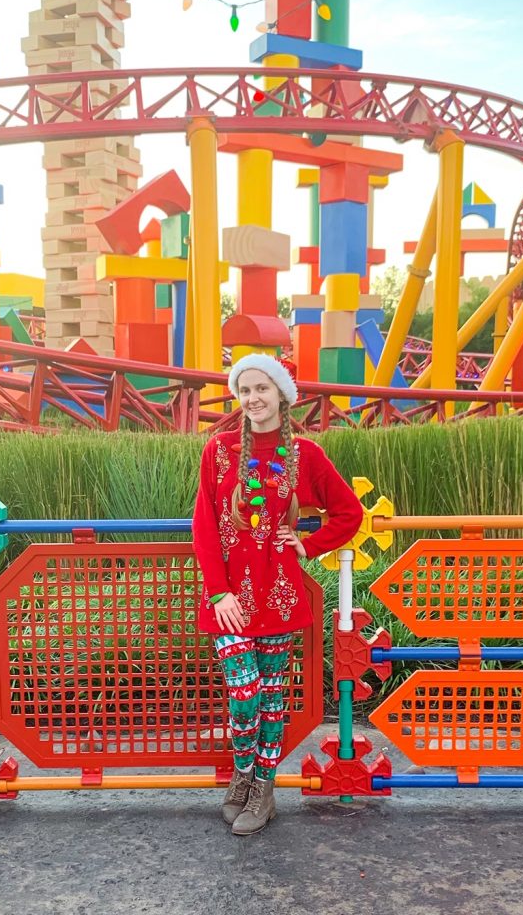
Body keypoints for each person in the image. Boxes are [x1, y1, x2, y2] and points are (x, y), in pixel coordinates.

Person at [192, 353, 364, 835]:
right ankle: (244, 773)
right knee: (242, 693)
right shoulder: (219, 450)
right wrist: (219, 591)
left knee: (270, 697)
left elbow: (348, 514)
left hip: (281, 596)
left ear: (282, 396)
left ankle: (262, 789)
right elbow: (204, 524)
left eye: (262, 389)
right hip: (228, 602)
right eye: (244, 390)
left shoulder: (305, 455)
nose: (253, 398)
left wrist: (308, 544)